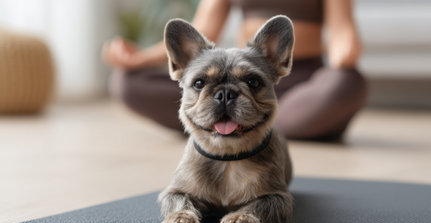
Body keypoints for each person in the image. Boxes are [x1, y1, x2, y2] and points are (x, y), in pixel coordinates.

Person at [103, 0, 367, 141]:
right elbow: (199, 36)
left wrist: (344, 52)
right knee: (127, 82)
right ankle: (251, 125)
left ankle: (241, 126)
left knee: (346, 82)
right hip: (238, 81)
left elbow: (342, 29)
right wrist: (139, 59)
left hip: (305, 86)